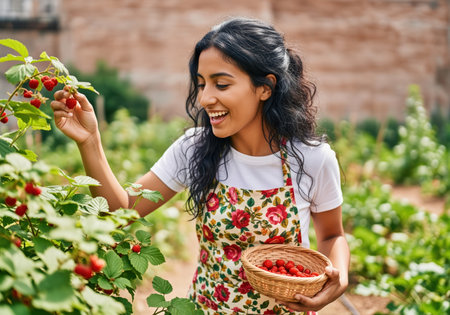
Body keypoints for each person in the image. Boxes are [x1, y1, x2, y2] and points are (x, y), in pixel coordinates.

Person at [51, 17, 349, 315]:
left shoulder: (312, 159)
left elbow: (332, 235)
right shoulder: (194, 148)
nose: (205, 98)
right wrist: (89, 141)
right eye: (202, 84)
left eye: (221, 84)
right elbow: (120, 212)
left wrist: (338, 275)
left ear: (265, 87)